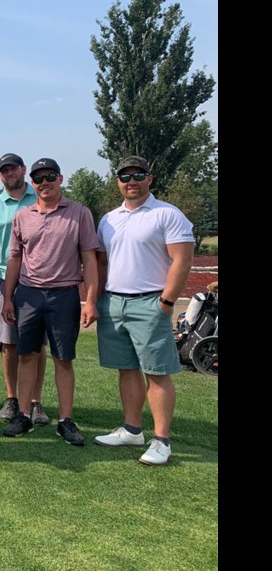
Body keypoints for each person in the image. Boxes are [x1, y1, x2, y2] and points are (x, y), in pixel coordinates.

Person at [94, 156, 194, 466]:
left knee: (158, 371)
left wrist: (166, 302)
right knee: (127, 368)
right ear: (118, 182)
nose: (131, 181)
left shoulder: (167, 214)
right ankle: (132, 429)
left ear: (149, 178)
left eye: (138, 175)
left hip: (150, 300)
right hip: (114, 301)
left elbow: (182, 260)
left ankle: (161, 439)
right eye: (125, 176)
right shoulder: (108, 219)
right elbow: (102, 262)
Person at [1, 158, 99, 446]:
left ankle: (66, 420)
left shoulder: (79, 213)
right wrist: (8, 296)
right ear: (33, 183)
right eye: (39, 178)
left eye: (50, 176)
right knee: (27, 355)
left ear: (60, 178)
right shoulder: (22, 215)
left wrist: (90, 301)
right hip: (28, 295)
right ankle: (24, 415)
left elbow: (89, 258)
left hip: (64, 294)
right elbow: (15, 258)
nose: (45, 182)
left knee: (63, 359)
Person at [0, 153, 49, 425]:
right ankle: (12, 398)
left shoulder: (41, 197)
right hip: (6, 279)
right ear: (0, 175)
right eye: (4, 170)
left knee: (37, 344)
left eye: (13, 168)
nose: (9, 173)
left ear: (23, 170)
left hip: (38, 280)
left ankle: (36, 401)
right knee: (9, 342)